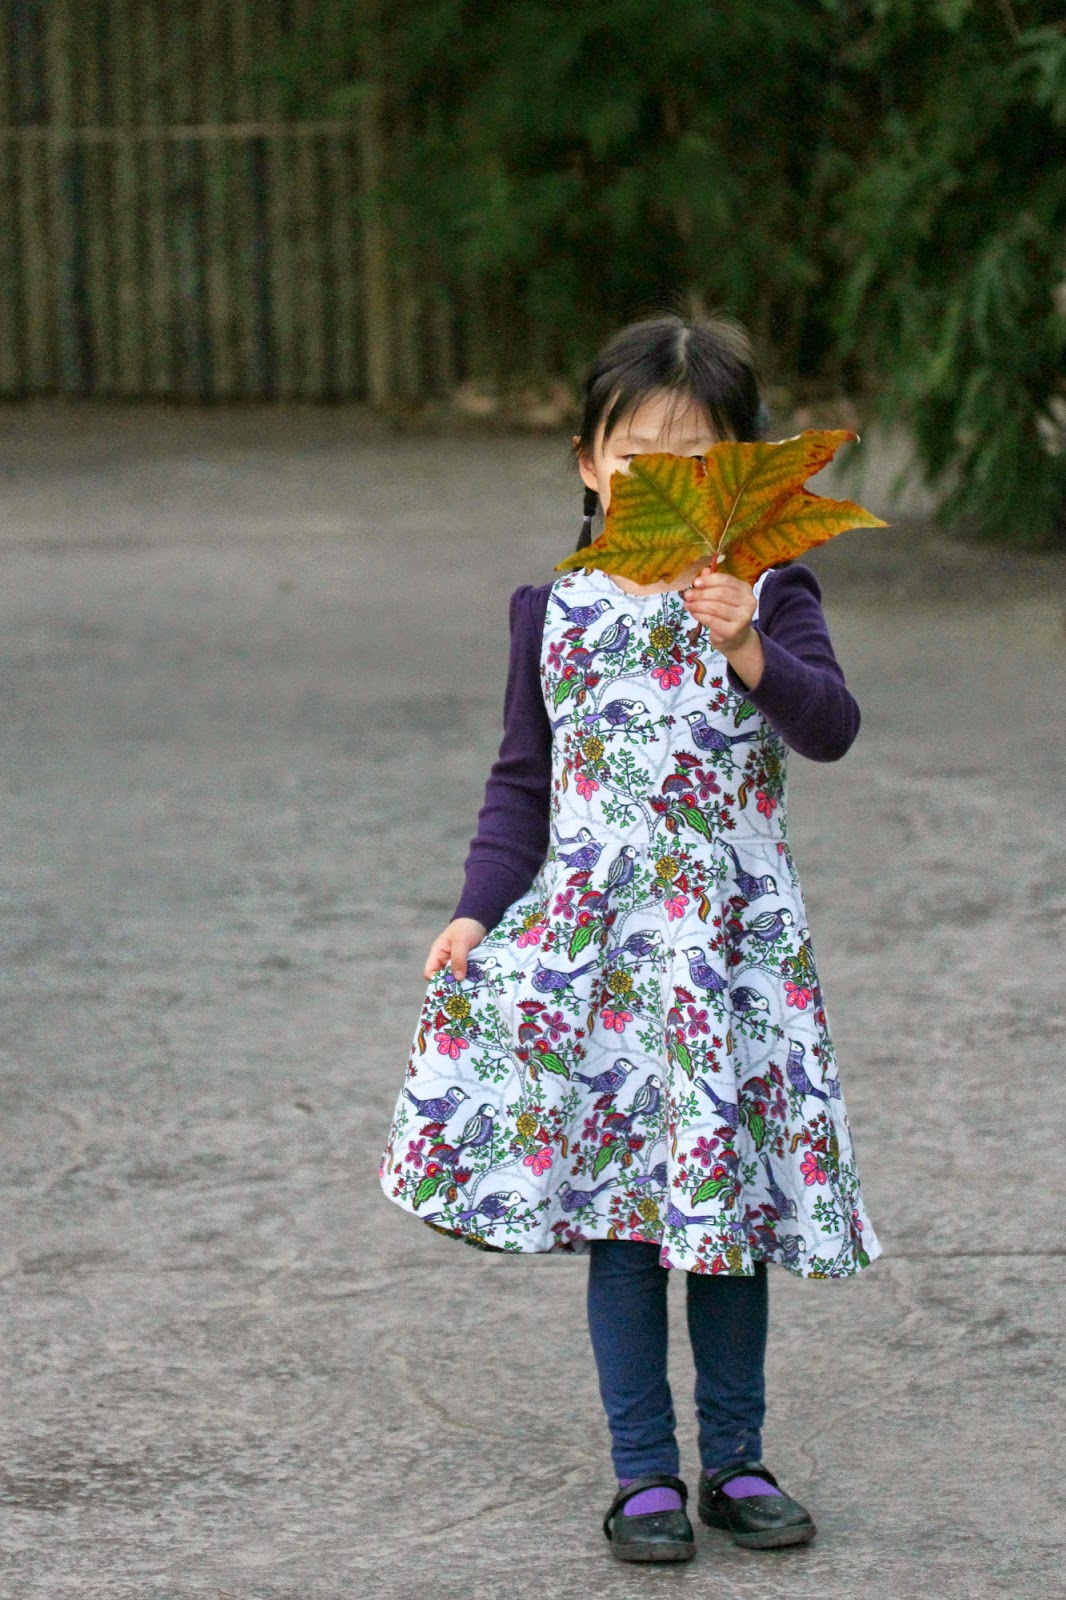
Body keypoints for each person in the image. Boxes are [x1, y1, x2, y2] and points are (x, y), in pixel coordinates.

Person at [378, 311, 882, 1563]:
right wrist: (472, 911)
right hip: (604, 964)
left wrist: (746, 642)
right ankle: (643, 1472)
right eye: (635, 457)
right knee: (626, 1224)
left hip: (730, 960)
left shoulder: (770, 593)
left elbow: (830, 726)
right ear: (588, 464)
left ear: (742, 472)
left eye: (695, 461)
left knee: (725, 1221)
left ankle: (738, 1459)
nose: (661, 481)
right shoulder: (553, 609)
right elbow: (521, 787)